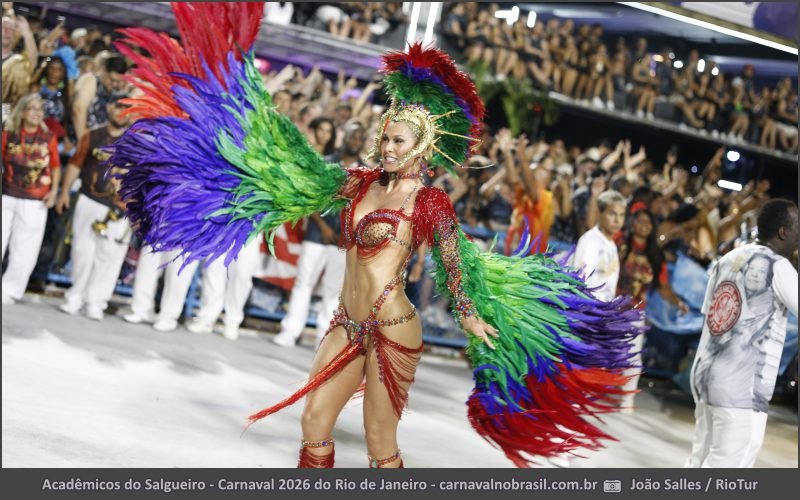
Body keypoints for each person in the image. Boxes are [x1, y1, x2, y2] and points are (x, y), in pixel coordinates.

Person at [110, 5, 644, 469]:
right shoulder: (356, 183)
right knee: (314, 421)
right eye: (384, 136)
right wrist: (248, 126)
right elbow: (295, 170)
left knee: (377, 440)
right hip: (346, 323)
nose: (386, 145)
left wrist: (472, 313)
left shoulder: (429, 203)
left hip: (392, 328)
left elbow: (456, 265)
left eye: (398, 140)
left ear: (421, 147)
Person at [686, 199, 798, 468]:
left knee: (700, 460)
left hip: (706, 375)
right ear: (783, 232)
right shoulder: (778, 267)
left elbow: (712, 316)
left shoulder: (727, 259)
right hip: (741, 388)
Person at [271, 122, 365, 348]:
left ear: (363, 143)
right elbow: (310, 197)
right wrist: (322, 227)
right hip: (316, 233)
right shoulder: (325, 163)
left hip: (343, 239)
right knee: (303, 283)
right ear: (344, 137)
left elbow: (362, 209)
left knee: (333, 291)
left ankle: (323, 338)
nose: (355, 141)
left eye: (360, 138)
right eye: (352, 136)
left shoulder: (366, 174)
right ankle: (290, 331)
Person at [56, 94, 132, 320]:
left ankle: (96, 301)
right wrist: (63, 192)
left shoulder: (137, 144)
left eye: (126, 108)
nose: (121, 112)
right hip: (89, 201)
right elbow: (75, 163)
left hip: (119, 208)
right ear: (109, 107)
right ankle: (74, 297)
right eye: (118, 106)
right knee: (82, 251)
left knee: (109, 257)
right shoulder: (92, 135)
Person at [2, 94, 60, 304]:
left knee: (25, 247)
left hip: (36, 199)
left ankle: (10, 289)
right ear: (23, 111)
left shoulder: (48, 137)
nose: (36, 113)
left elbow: (55, 166)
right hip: (7, 193)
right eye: (32, 109)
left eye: (40, 109)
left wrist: (54, 191)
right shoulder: (8, 133)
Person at [122, 246, 199, 332]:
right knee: (147, 265)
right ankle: (141, 310)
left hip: (190, 236)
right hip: (158, 233)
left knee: (178, 275)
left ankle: (168, 318)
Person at [571, 190, 626, 302]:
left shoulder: (612, 245)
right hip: (587, 310)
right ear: (599, 213)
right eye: (612, 214)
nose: (617, 220)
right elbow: (579, 282)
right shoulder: (590, 241)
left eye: (621, 215)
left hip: (601, 312)